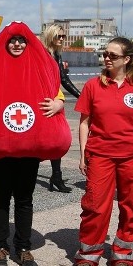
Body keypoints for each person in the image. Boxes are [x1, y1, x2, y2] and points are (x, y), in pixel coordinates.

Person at [0, 22, 68, 266]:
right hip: (2, 144)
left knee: (24, 199)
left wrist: (58, 104)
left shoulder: (41, 64)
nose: (17, 44)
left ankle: (23, 247)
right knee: (0, 197)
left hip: (28, 146)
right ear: (5, 42)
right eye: (13, 40)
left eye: (22, 40)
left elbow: (55, 90)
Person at [74, 37, 133, 266]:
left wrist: (126, 135)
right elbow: (84, 122)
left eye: (112, 55)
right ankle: (88, 255)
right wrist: (83, 154)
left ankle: (122, 255)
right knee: (96, 205)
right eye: (105, 54)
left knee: (131, 205)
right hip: (100, 155)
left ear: (127, 59)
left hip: (132, 156)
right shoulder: (93, 86)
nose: (106, 58)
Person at [40, 25, 80, 193]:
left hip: (54, 101)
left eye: (64, 36)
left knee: (55, 139)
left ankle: (56, 176)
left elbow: (63, 79)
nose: (62, 39)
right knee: (38, 140)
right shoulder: (41, 53)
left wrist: (82, 96)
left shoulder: (56, 54)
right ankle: (22, 177)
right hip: (42, 102)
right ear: (51, 36)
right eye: (59, 36)